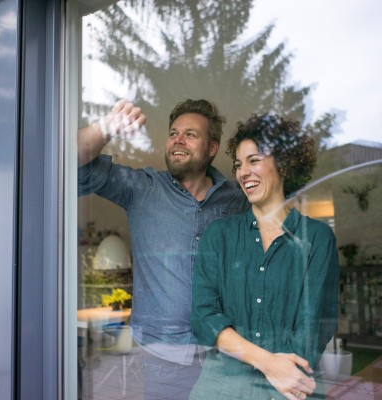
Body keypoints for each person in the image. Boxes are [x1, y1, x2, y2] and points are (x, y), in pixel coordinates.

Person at [78, 99, 249, 399]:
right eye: (173, 133)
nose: (177, 140)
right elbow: (73, 160)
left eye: (190, 134)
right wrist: (107, 126)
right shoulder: (142, 188)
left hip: (227, 352)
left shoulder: (237, 198)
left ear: (211, 148)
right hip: (165, 357)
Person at [190, 114, 339, 400]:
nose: (243, 172)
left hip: (290, 390)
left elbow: (312, 330)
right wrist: (268, 362)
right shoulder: (219, 235)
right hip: (220, 391)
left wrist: (280, 375)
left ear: (283, 164)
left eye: (254, 160)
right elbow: (203, 317)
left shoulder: (317, 238)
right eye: (238, 164)